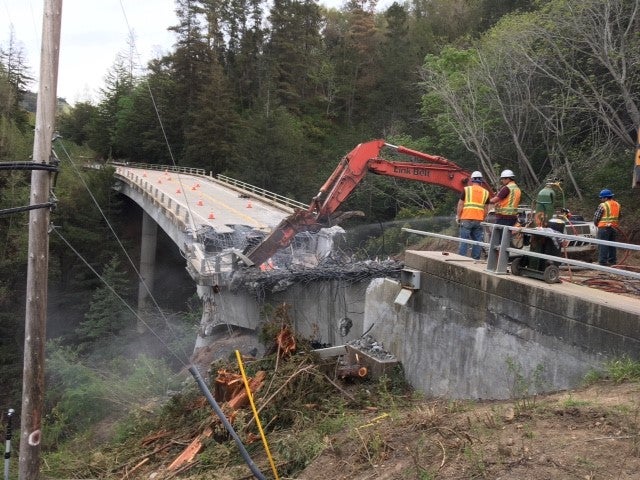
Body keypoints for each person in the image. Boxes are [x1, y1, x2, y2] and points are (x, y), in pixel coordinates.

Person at [456, 171, 490, 260]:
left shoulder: (467, 190)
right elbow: (486, 209)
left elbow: (460, 204)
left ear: (471, 180)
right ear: (481, 180)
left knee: (464, 240)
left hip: (466, 218)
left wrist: (458, 216)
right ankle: (475, 259)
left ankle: (461, 259)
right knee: (478, 241)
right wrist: (482, 218)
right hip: (478, 220)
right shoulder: (486, 192)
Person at [489, 169, 522, 240]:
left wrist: (486, 201)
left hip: (503, 217)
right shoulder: (517, 188)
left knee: (497, 238)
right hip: (512, 217)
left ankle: (498, 251)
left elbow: (496, 199)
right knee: (506, 239)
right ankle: (504, 251)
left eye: (503, 179)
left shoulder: (506, 188)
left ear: (508, 179)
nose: (502, 181)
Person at [593, 189, 621, 266]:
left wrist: (596, 224)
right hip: (614, 228)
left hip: (604, 228)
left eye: (601, 198)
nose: (601, 200)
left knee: (603, 245)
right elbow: (619, 216)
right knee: (612, 245)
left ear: (605, 198)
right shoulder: (617, 204)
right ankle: (612, 261)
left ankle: (602, 262)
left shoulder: (603, 205)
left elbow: (596, 217)